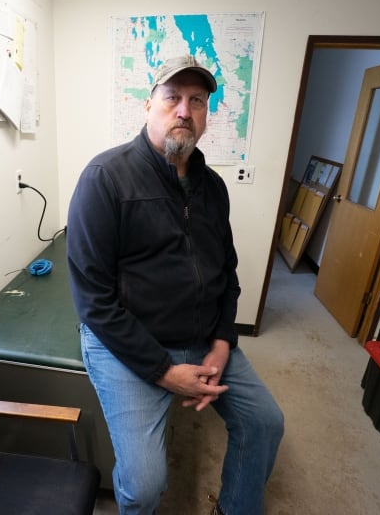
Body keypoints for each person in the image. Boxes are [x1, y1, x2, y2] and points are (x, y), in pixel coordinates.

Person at [66, 55, 284, 515]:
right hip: (127, 345)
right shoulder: (104, 178)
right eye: (173, 98)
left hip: (203, 339)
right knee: (146, 486)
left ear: (206, 115)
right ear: (149, 106)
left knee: (265, 422)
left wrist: (223, 342)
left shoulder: (214, 188)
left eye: (197, 101)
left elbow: (227, 272)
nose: (184, 110)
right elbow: (93, 301)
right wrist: (165, 372)